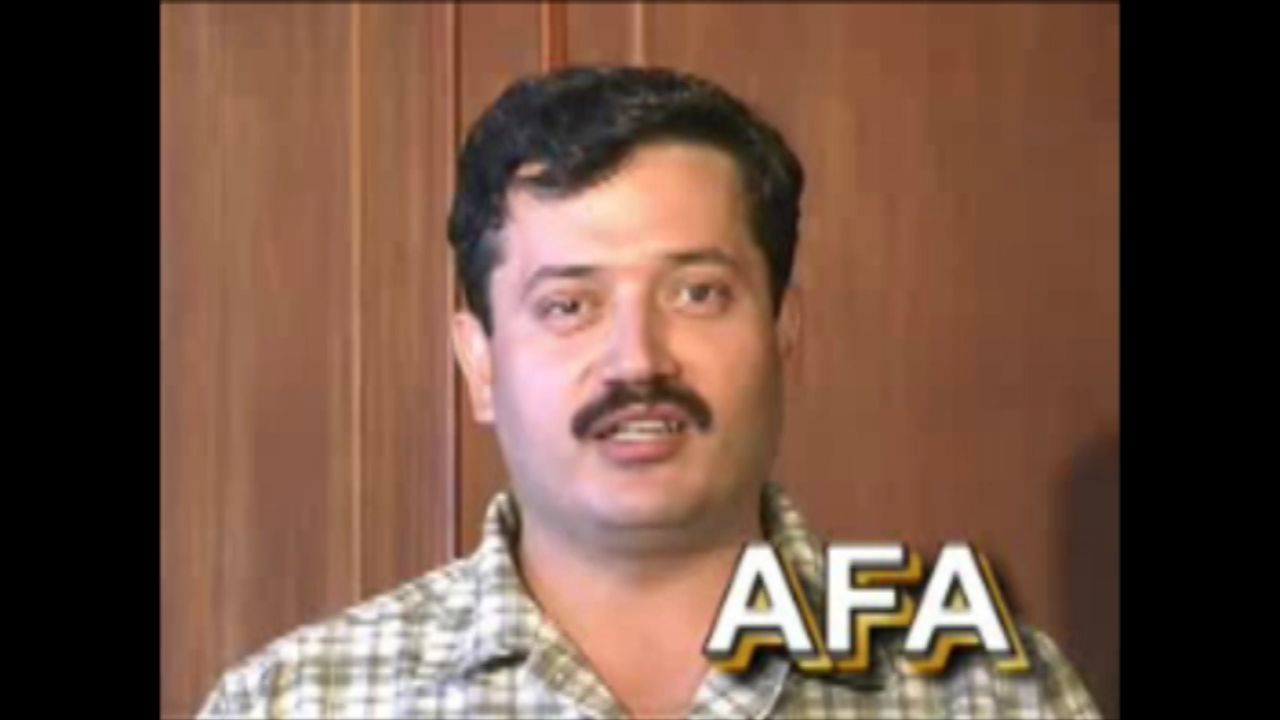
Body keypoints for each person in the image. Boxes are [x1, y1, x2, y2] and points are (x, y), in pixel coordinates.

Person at [196, 65, 1101, 719]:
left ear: (783, 331)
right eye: (568, 305)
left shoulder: (986, 692)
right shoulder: (292, 703)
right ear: (479, 364)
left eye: (697, 293)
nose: (637, 361)